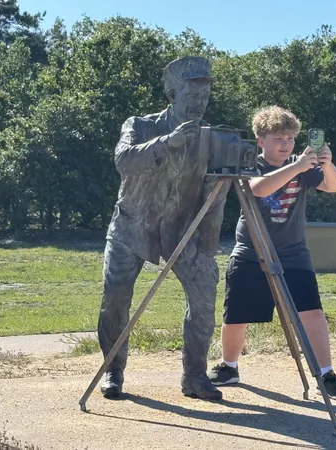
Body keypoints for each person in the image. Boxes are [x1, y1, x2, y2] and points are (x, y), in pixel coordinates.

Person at [98, 56, 230, 401]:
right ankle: (113, 370)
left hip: (181, 231)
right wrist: (166, 142)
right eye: (192, 96)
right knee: (115, 295)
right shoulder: (140, 125)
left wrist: (207, 247)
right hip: (132, 227)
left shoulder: (210, 138)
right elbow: (123, 160)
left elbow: (215, 198)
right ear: (172, 94)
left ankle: (195, 377)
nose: (199, 103)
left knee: (204, 292)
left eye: (204, 97)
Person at [208, 105, 336, 401]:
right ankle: (229, 367)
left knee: (312, 314)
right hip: (251, 251)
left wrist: (326, 163)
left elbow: (334, 186)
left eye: (290, 139)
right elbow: (258, 190)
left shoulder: (303, 166)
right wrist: (298, 166)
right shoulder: (252, 164)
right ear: (260, 140)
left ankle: (326, 374)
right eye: (278, 139)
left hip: (293, 253)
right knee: (236, 315)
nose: (286, 145)